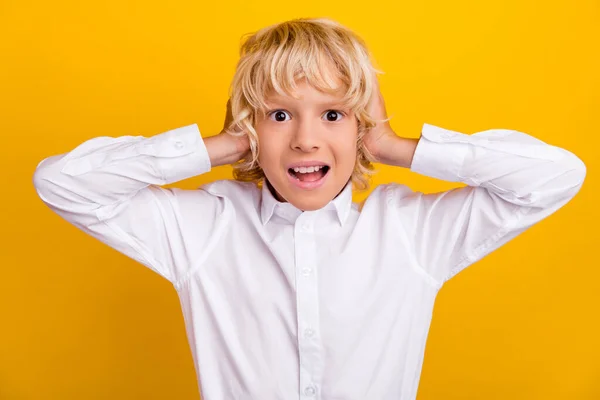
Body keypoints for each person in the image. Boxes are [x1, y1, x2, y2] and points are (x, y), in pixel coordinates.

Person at [32, 17, 586, 400]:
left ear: (360, 126)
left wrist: (396, 146)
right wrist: (219, 145)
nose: (304, 139)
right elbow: (62, 183)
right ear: (252, 127)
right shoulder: (203, 229)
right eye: (278, 116)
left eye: (333, 114)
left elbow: (557, 176)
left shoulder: (410, 232)